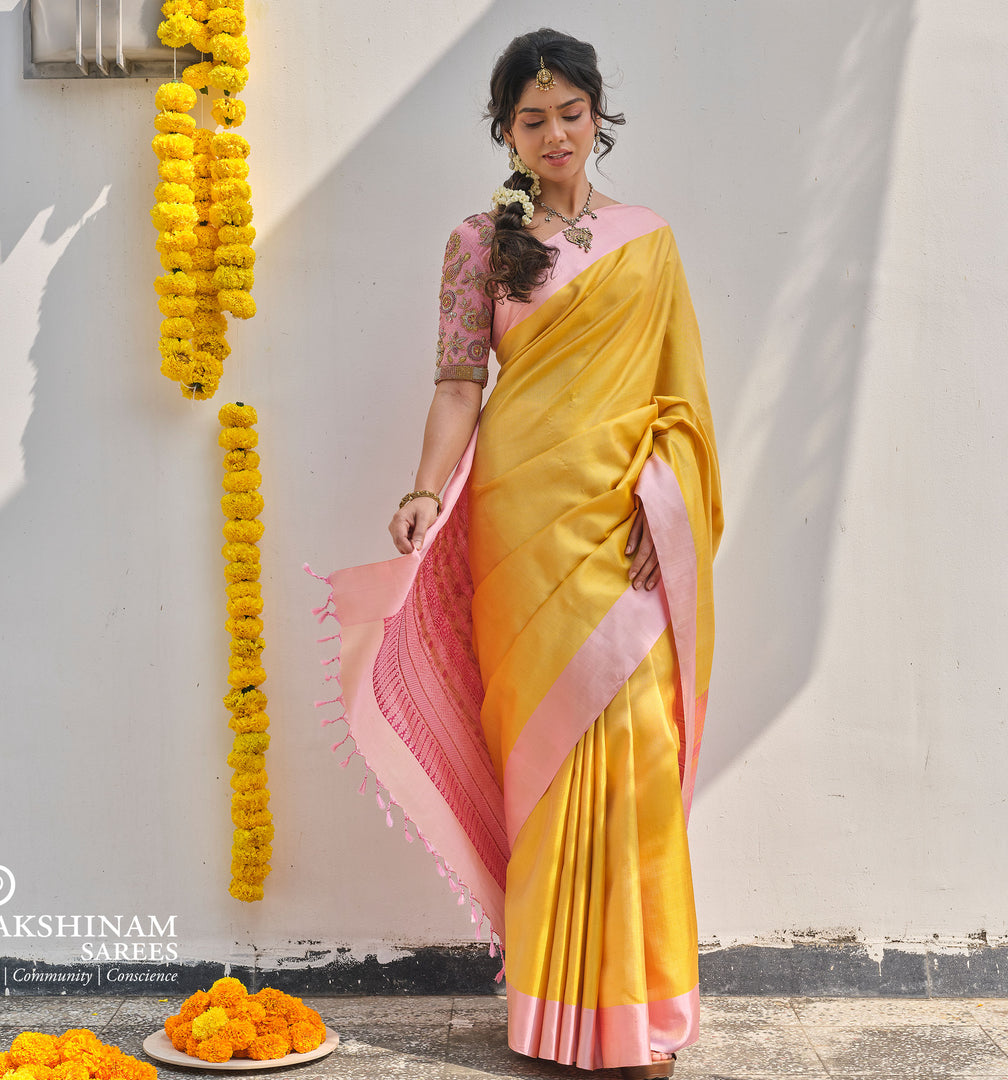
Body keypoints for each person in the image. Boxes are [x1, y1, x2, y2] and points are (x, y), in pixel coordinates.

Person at [316, 28, 722, 1080]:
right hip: (520, 524)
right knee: (543, 768)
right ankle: (554, 1015)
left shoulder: (651, 239)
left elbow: (679, 393)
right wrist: (419, 491)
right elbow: (460, 385)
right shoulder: (477, 243)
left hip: (623, 519)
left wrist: (664, 503)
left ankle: (636, 1015)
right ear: (505, 131)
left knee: (638, 752)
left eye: (570, 113)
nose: (553, 133)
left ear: (598, 117)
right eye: (530, 117)